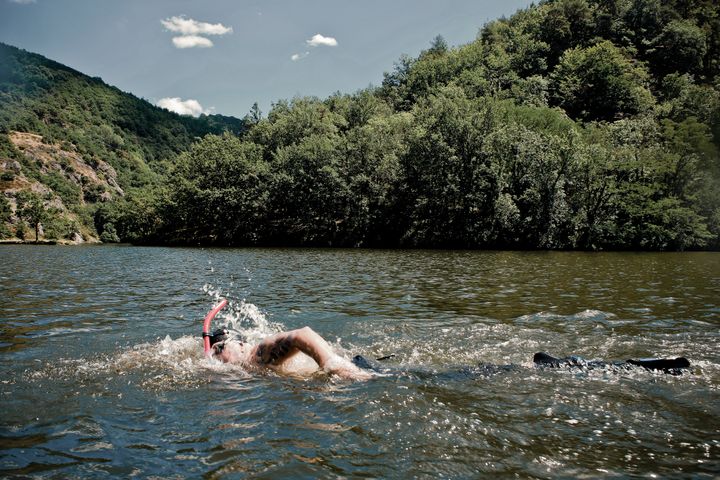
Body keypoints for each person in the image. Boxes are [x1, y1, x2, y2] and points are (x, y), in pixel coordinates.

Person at [208, 326, 373, 380]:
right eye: (214, 354)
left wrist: (331, 364)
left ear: (241, 344)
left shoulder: (258, 354)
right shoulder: (252, 366)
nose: (217, 355)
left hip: (355, 371)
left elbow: (302, 334)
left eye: (221, 348)